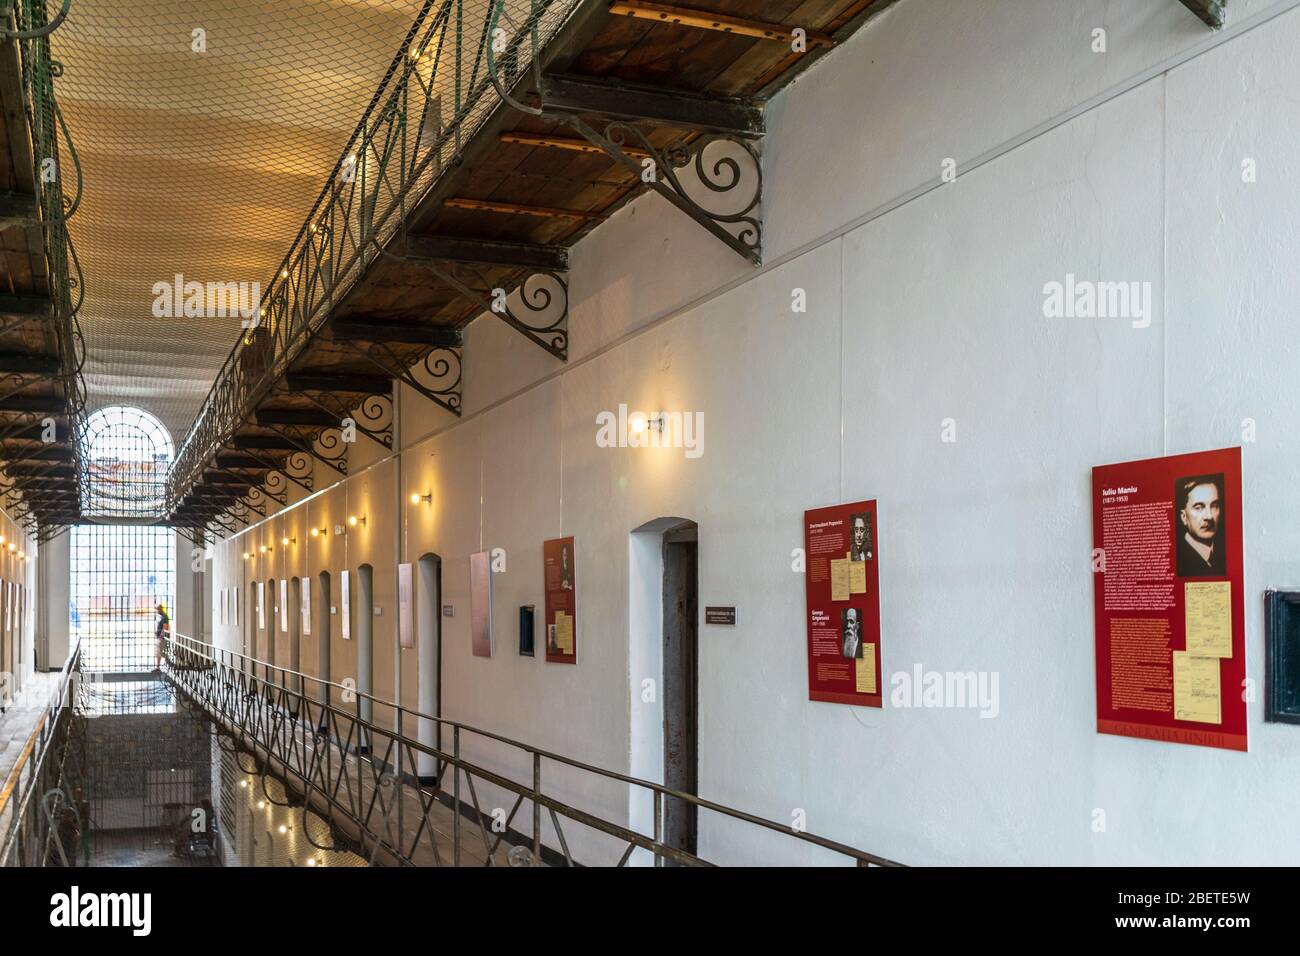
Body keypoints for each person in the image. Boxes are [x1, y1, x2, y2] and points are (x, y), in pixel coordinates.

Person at [1174, 476, 1225, 577]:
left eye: (1214, 506)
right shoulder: (1179, 561)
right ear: (1184, 517)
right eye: (1198, 508)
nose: (1209, 516)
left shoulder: (1223, 555)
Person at [154, 603, 170, 671]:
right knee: (159, 652)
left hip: (162, 637)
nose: (156, 611)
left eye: (157, 609)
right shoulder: (161, 616)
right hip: (159, 637)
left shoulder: (164, 617)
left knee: (160, 651)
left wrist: (161, 636)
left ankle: (160, 667)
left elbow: (166, 627)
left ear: (160, 609)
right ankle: (158, 667)